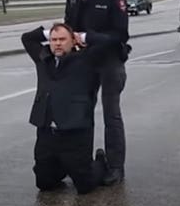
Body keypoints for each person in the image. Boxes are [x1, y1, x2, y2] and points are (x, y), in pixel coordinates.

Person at [21, 23, 114, 194]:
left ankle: (100, 163)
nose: (57, 43)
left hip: (75, 131)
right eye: (53, 40)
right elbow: (27, 38)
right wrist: (51, 31)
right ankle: (62, 167)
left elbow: (108, 42)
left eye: (62, 39)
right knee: (44, 184)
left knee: (85, 186)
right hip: (47, 131)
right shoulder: (43, 58)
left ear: (72, 41)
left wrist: (82, 36)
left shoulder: (87, 59)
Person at [64, 0, 130, 185]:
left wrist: (90, 37)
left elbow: (121, 34)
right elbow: (68, 23)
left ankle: (115, 166)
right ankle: (82, 162)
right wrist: (69, 38)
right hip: (84, 60)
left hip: (109, 60)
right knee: (82, 112)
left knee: (111, 114)